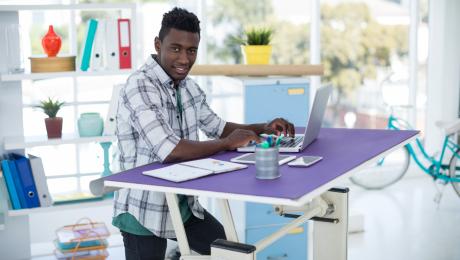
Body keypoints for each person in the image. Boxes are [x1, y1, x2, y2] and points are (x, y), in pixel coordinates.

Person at [113, 7, 295, 260]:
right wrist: (227, 144)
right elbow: (170, 150)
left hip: (183, 205)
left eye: (191, 50)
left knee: (231, 253)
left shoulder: (188, 87)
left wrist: (263, 128)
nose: (184, 59)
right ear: (158, 44)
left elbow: (219, 127)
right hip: (143, 208)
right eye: (175, 48)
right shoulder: (139, 85)